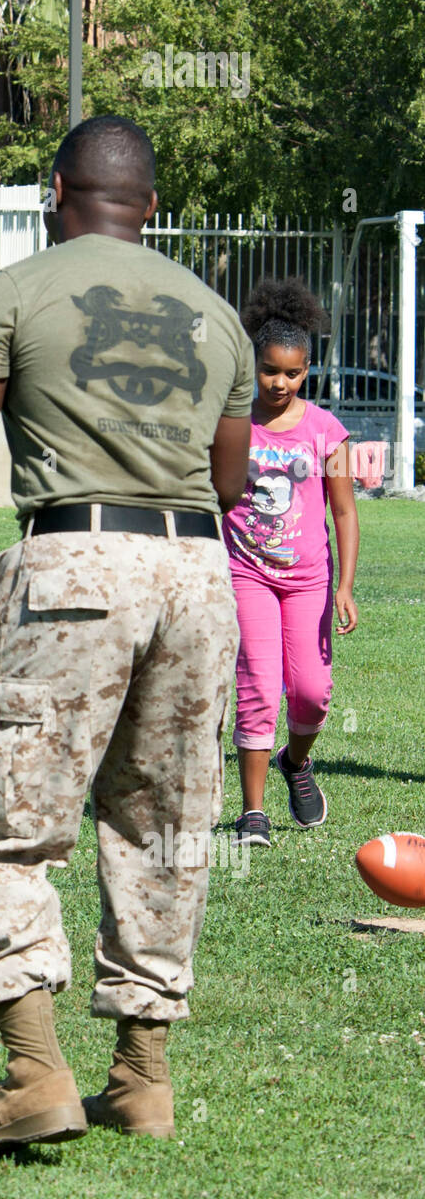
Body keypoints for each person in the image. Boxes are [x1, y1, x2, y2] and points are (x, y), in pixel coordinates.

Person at [0, 116, 254, 1150]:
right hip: (196, 576)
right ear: (150, 204)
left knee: (3, 819)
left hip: (75, 564)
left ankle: (35, 1073)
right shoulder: (218, 315)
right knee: (164, 823)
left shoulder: (17, 292)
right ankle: (142, 1078)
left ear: (58, 191)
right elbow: (226, 483)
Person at [226, 280, 359, 848]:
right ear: (253, 363)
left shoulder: (326, 431)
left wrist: (346, 587)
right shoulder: (229, 422)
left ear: (308, 370)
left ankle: (296, 762)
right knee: (257, 682)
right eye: (270, 370)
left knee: (311, 691)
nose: (280, 383)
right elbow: (211, 494)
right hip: (246, 573)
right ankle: (253, 813)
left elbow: (345, 514)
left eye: (294, 373)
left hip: (308, 581)